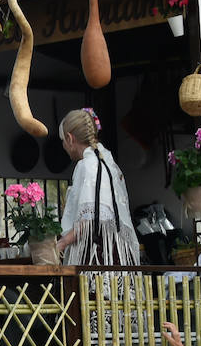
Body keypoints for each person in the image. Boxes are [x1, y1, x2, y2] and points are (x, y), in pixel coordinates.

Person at [55, 108, 140, 265]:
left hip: (98, 254)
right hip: (116, 252)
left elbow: (90, 219)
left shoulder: (88, 165)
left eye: (63, 140)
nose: (63, 146)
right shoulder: (105, 162)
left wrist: (61, 243)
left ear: (70, 138)